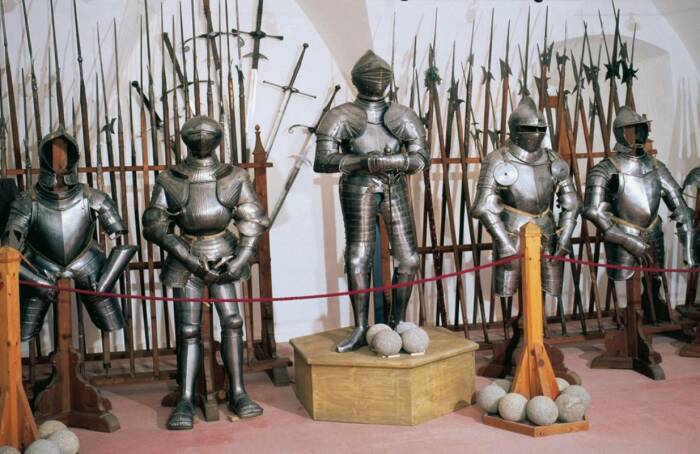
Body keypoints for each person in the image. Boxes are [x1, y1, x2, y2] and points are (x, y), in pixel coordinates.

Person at [142, 116, 267, 430]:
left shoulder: (233, 175)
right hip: (185, 256)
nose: (201, 140)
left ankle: (238, 391)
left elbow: (252, 219)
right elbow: (155, 225)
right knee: (188, 330)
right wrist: (188, 257)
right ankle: (185, 398)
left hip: (223, 253)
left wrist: (240, 259)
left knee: (233, 322)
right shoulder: (170, 178)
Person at [313, 50, 429, 352]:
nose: (377, 80)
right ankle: (361, 327)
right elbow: (323, 160)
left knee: (409, 259)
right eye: (372, 76)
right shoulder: (340, 115)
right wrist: (362, 161)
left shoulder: (403, 114)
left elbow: (421, 158)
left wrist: (395, 161)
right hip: (358, 186)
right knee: (357, 257)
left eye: (382, 76)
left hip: (394, 186)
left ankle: (397, 321)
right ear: (357, 80)